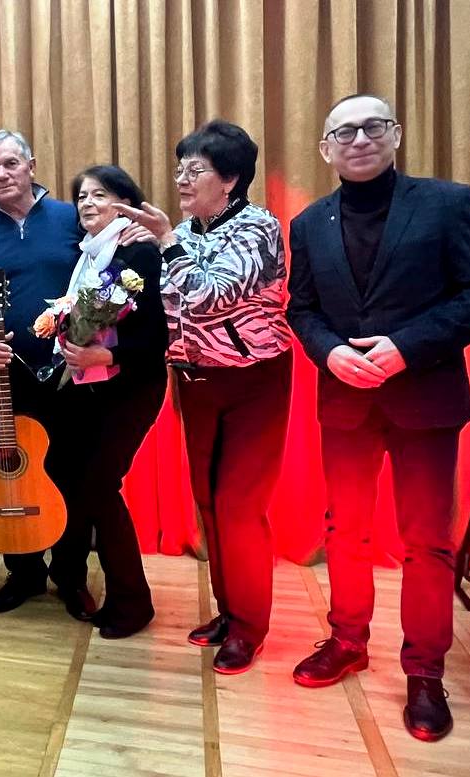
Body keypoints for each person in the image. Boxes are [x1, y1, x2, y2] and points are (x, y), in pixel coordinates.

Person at [286, 94, 470, 741]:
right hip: (346, 400)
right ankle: (347, 639)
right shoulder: (309, 222)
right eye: (344, 131)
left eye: (372, 126)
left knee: (427, 542)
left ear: (396, 134)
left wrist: (406, 347)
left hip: (425, 398)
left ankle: (425, 672)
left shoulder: (449, 203)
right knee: (344, 530)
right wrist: (329, 352)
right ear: (326, 148)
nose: (359, 139)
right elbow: (302, 309)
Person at [115, 120, 293, 671]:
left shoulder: (257, 226)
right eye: (180, 168)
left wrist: (166, 243)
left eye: (196, 170)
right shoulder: (187, 232)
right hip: (195, 381)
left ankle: (250, 626)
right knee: (209, 502)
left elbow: (210, 296)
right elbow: (168, 309)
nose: (182, 179)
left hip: (253, 381)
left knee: (240, 506)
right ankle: (228, 611)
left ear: (231, 178)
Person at [0, 129, 98, 622]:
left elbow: (101, 279)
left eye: (11, 164)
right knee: (11, 472)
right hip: (8, 376)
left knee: (72, 475)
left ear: (31, 166)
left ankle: (72, 576)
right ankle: (24, 573)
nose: (2, 174)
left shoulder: (70, 218)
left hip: (72, 373)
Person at [54, 165, 168, 638]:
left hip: (132, 388)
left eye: (99, 195)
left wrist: (108, 354)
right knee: (83, 486)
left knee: (101, 488)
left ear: (126, 204)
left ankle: (133, 603)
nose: (87, 203)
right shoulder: (89, 254)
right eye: (82, 196)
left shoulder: (138, 252)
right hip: (92, 389)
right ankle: (79, 580)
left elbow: (160, 333)